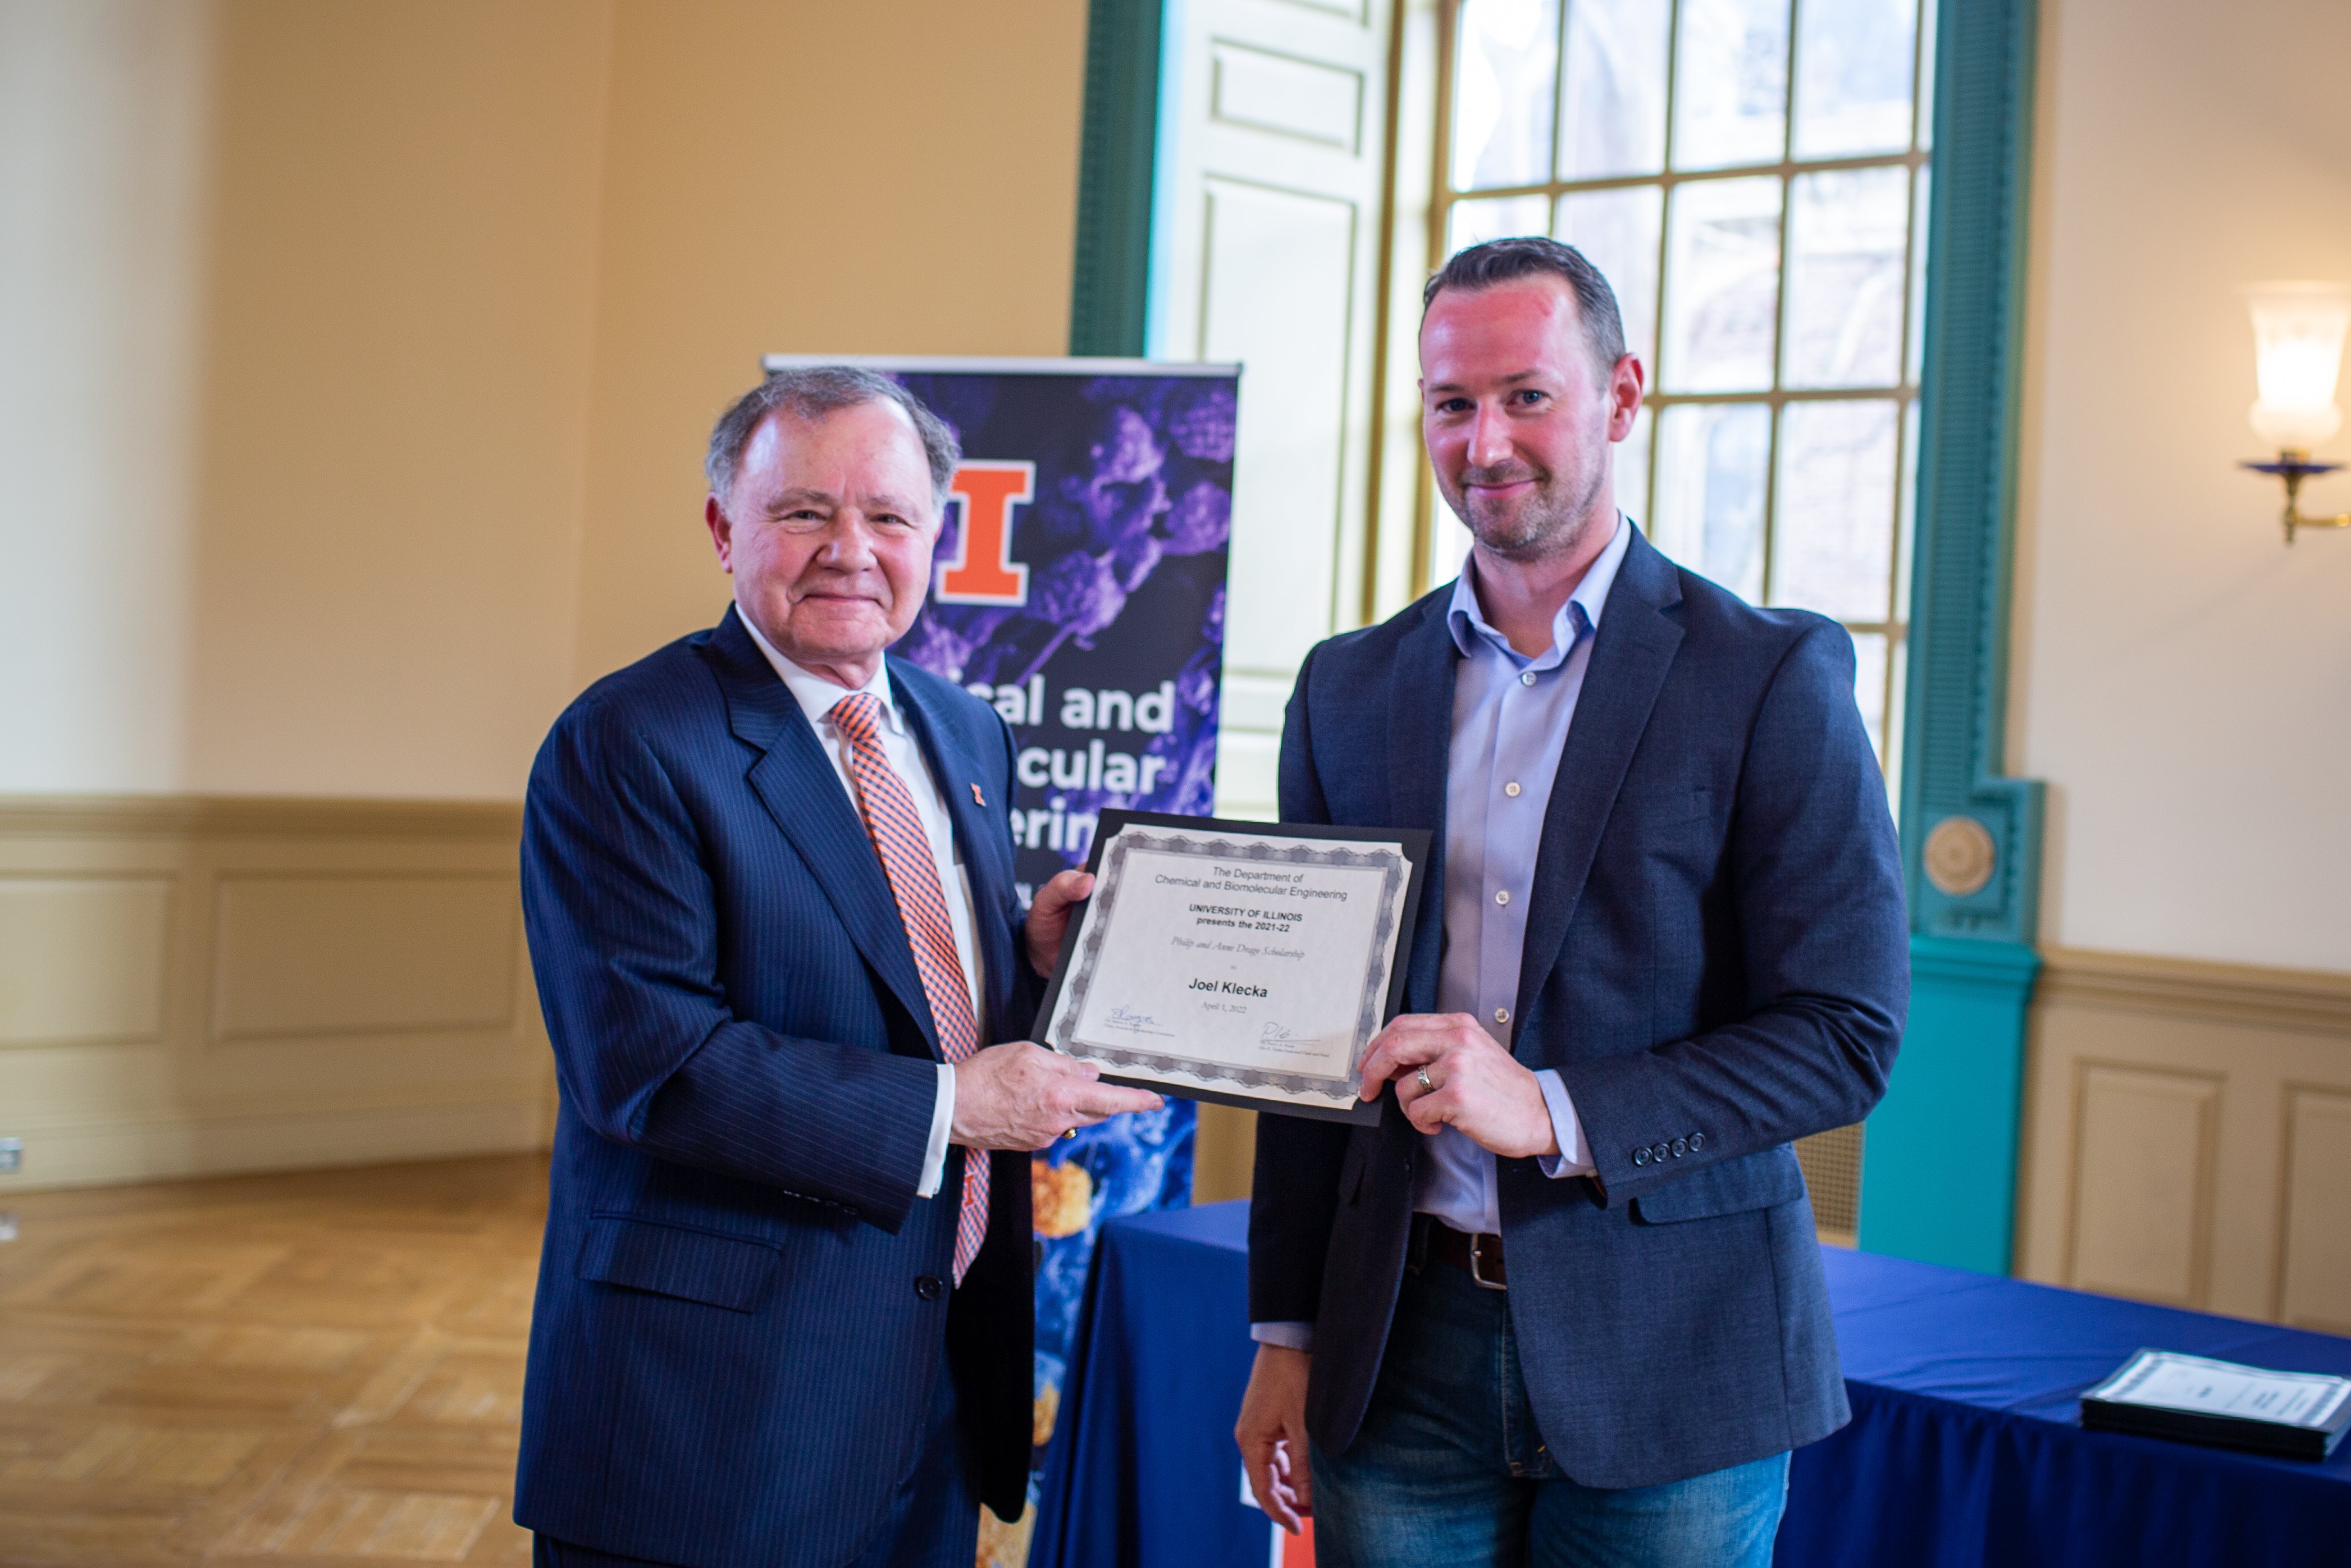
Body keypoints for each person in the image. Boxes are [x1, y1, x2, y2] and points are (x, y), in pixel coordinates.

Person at [1234, 236, 1910, 1565]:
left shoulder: (1770, 674)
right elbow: (1311, 1056)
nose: (1484, 441)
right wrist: (1285, 1336)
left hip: (1678, 1356)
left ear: (1621, 395)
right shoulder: (1344, 688)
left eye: (1526, 395)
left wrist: (1548, 1107)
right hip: (1396, 1346)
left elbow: (1845, 1031)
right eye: (1450, 403)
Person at [514, 365, 1160, 1568]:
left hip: (927, 1367)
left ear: (938, 536)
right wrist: (959, 1106)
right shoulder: (629, 741)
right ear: (724, 528)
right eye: (804, 512)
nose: (850, 550)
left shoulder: (962, 727)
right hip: (708, 1411)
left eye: (890, 516)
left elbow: (904, 984)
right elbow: (651, 1065)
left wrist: (1028, 960)